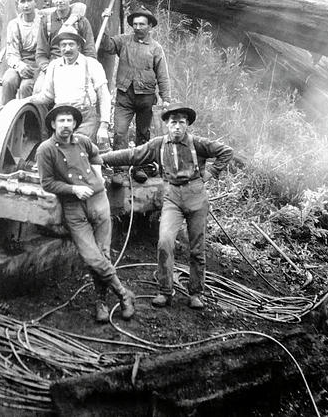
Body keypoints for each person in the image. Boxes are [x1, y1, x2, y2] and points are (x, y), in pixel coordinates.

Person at [100, 103, 233, 310]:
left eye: (181, 122)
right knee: (165, 242)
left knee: (197, 247)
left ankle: (196, 293)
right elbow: (133, 154)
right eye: (173, 123)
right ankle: (164, 291)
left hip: (196, 197)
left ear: (187, 124)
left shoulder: (198, 144)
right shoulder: (158, 145)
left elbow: (226, 151)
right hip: (172, 198)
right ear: (167, 125)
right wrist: (101, 158)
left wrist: (211, 173)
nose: (177, 127)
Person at [37, 104, 135, 323]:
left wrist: (98, 177)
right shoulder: (46, 149)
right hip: (73, 207)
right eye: (61, 121)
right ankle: (123, 294)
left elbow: (95, 156)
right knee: (92, 257)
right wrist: (73, 189)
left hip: (98, 201)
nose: (65, 125)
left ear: (74, 124)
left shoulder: (82, 141)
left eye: (69, 121)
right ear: (53, 124)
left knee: (103, 253)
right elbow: (47, 183)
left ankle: (100, 302)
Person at [100, 7, 171, 150]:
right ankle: (119, 167)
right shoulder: (123, 41)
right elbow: (108, 46)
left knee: (143, 134)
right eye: (135, 24)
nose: (138, 27)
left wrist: (166, 98)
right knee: (119, 132)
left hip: (146, 97)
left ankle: (141, 168)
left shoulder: (156, 48)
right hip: (124, 96)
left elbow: (163, 75)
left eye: (142, 24)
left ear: (150, 26)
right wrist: (105, 23)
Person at [30, 26, 112, 149]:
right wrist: (27, 100)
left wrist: (104, 126)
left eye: (71, 44)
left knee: (78, 152)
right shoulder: (54, 66)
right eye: (63, 45)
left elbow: (104, 95)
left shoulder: (91, 64)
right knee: (55, 154)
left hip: (85, 119)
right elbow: (47, 96)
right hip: (61, 117)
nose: (67, 49)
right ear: (59, 47)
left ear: (78, 45)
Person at [35, 0, 96, 87]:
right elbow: (41, 53)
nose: (60, 0)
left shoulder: (81, 21)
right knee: (39, 89)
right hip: (52, 67)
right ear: (52, 0)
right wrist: (47, 68)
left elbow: (89, 51)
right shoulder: (46, 21)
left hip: (76, 66)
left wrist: (84, 69)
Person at [1, 0, 41, 103]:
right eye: (22, 1)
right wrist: (19, 66)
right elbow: (11, 53)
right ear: (17, 4)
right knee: (8, 80)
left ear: (35, 2)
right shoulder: (14, 25)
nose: (26, 5)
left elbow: (79, 7)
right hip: (21, 62)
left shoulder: (43, 20)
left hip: (37, 64)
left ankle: (26, 118)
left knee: (26, 87)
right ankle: (6, 113)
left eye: (29, 0)